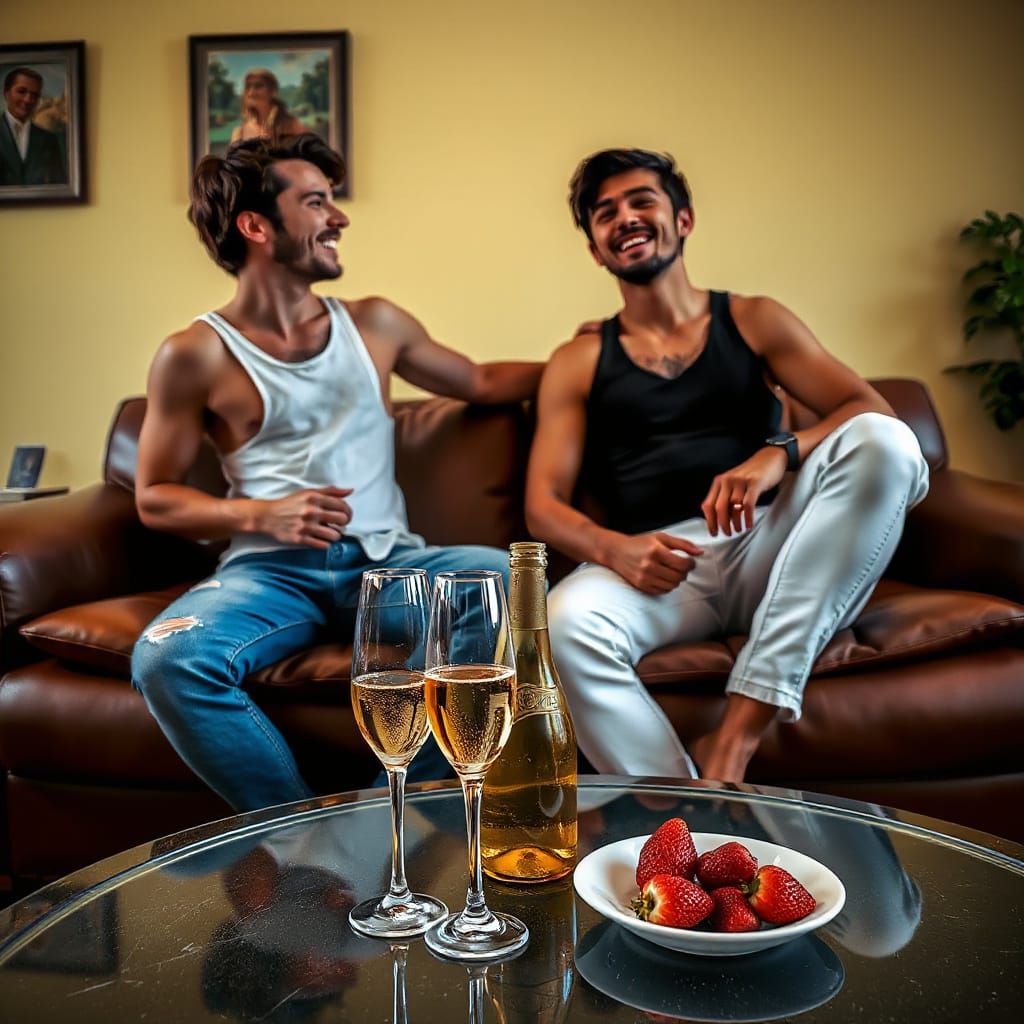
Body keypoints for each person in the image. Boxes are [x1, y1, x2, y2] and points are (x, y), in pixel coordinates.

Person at [131, 133, 543, 813]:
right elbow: (155, 498)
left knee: (501, 580)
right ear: (257, 226)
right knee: (166, 661)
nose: (340, 218)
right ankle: (307, 842)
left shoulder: (375, 323)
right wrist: (260, 514)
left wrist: (601, 354)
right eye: (317, 201)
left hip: (391, 568)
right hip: (269, 575)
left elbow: (479, 379)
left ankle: (391, 825)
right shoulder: (193, 354)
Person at [526, 148, 930, 785]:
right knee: (563, 622)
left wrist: (780, 453)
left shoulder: (752, 318)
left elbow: (869, 410)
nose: (624, 218)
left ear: (682, 220)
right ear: (597, 251)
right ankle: (684, 814)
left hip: (783, 545)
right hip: (664, 564)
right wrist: (617, 550)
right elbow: (542, 504)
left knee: (884, 441)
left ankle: (737, 735)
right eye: (605, 214)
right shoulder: (577, 359)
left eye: (641, 201)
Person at [0, 67, 66, 186]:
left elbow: (59, 186)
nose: (28, 99)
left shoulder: (49, 140)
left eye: (35, 95)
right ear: (6, 93)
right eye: (21, 91)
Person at [229, 69, 307, 147]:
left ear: (272, 91)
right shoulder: (239, 133)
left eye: (258, 86)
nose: (251, 92)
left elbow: (314, 154)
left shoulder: (292, 125)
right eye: (248, 87)